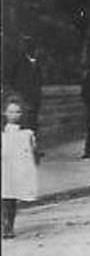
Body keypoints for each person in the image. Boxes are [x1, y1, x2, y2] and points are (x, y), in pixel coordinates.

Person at [2, 96, 38, 239]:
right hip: (3, 165)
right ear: (4, 113)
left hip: (15, 168)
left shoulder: (26, 132)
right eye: (11, 112)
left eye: (17, 112)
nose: (14, 115)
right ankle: (5, 223)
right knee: (4, 197)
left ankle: (8, 225)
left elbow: (31, 151)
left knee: (11, 197)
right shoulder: (3, 132)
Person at [8, 38, 43, 135]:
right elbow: (12, 78)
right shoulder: (19, 62)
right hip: (24, 95)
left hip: (34, 96)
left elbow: (39, 79)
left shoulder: (36, 62)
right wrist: (18, 91)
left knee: (33, 119)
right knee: (25, 119)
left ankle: (33, 139)